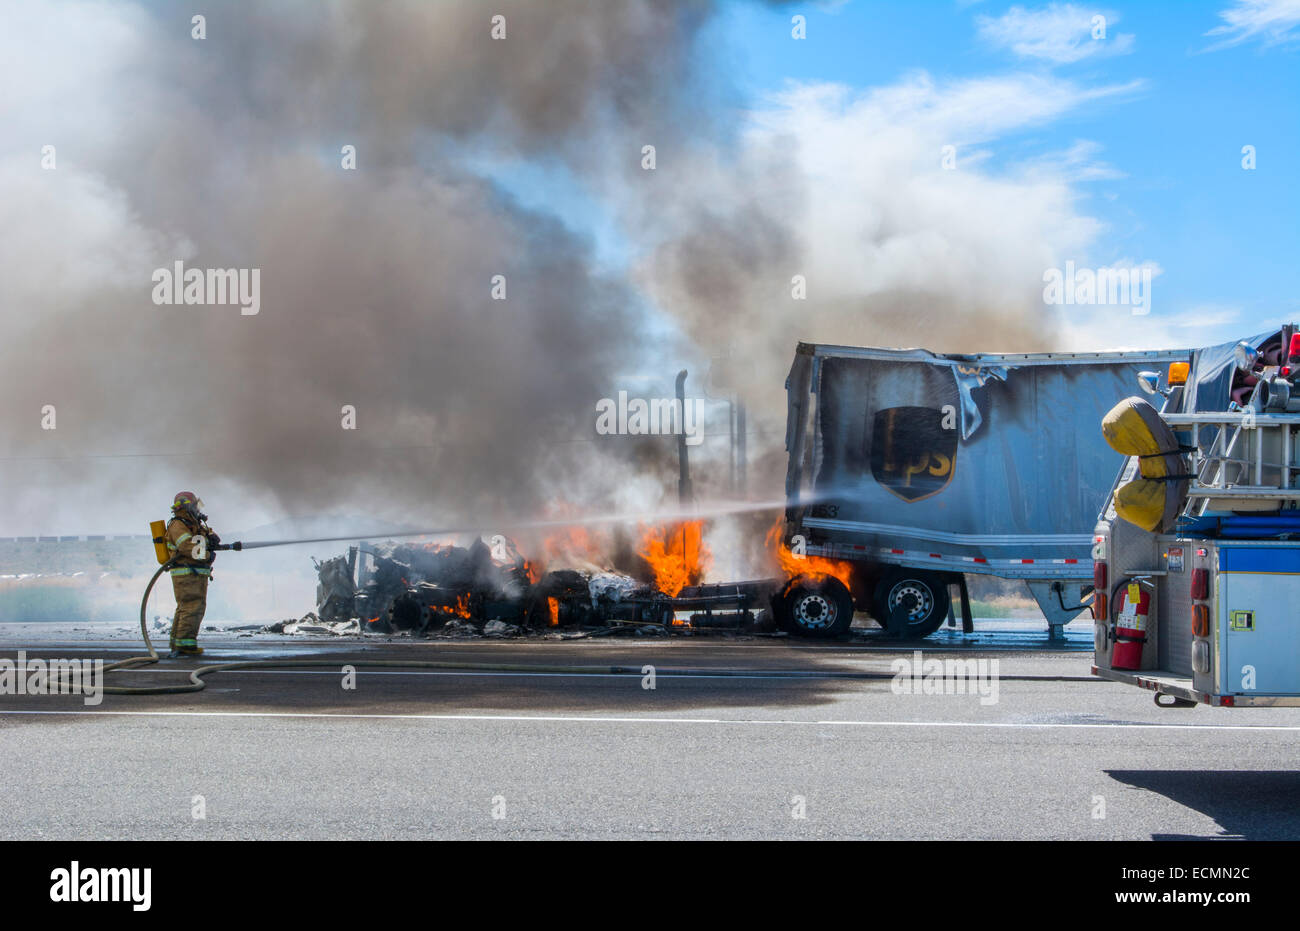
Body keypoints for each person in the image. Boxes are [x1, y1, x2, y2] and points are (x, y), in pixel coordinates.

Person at [165, 491, 219, 656]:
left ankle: (179, 644)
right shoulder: (178, 525)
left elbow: (200, 540)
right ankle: (186, 646)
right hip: (187, 574)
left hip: (194, 574)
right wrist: (208, 555)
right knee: (192, 607)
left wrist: (211, 538)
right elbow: (188, 547)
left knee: (187, 607)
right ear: (187, 506)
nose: (197, 508)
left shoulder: (192, 524)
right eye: (195, 505)